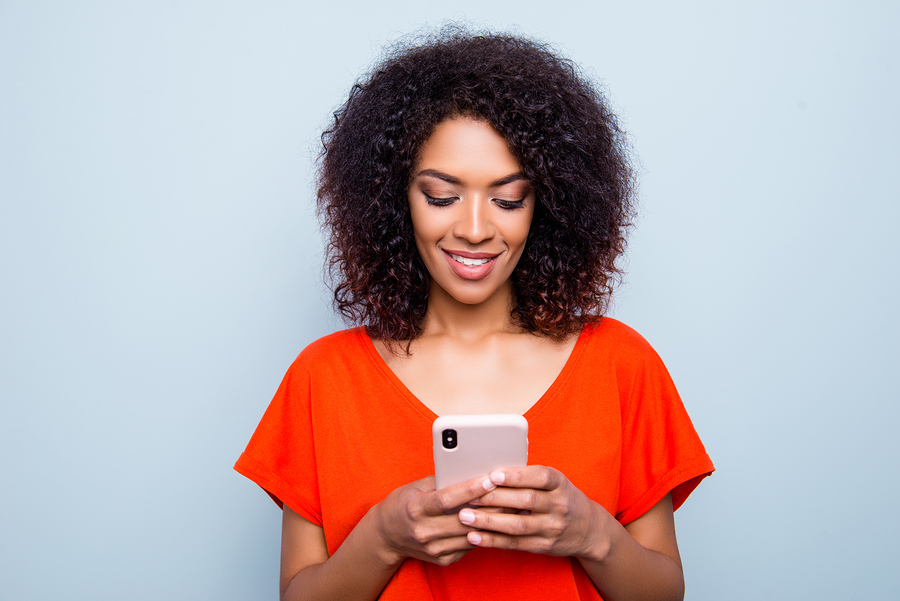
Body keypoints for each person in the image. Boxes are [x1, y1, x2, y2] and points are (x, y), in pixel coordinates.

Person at [235, 28, 714, 601]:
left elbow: (665, 594)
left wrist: (592, 534)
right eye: (441, 196)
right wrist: (384, 538)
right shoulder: (323, 378)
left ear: (550, 204)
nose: (475, 228)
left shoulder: (620, 365)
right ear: (393, 199)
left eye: (509, 199)